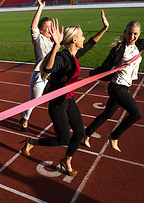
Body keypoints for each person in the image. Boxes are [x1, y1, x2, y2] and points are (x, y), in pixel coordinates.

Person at [21, 10, 109, 176]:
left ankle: (67, 160)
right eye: (81, 36)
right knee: (63, 140)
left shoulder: (74, 54)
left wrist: (104, 28)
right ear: (74, 40)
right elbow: (48, 68)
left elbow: (90, 44)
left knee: (80, 133)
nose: (84, 38)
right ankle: (31, 142)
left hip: (69, 101)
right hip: (58, 103)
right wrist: (55, 46)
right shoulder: (62, 56)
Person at [84, 2, 144, 152]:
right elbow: (104, 68)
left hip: (125, 86)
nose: (132, 36)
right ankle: (114, 136)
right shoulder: (118, 50)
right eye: (129, 33)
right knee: (136, 114)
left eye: (135, 34)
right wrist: (95, 73)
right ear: (125, 32)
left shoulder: (139, 45)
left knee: (107, 114)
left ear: (139, 34)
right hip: (116, 87)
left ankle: (86, 133)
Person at [19, 0, 53, 132]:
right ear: (41, 29)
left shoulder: (53, 42)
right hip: (39, 76)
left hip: (51, 76)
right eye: (47, 27)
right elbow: (33, 27)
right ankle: (25, 118)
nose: (50, 29)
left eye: (52, 26)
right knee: (34, 101)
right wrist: (40, 8)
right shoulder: (38, 39)